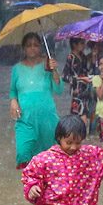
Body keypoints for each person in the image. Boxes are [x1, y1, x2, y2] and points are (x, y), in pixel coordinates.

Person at [9, 33, 63, 169]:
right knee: (23, 153)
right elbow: (12, 91)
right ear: (23, 48)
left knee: (49, 157)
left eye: (35, 45)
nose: (32, 48)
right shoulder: (17, 69)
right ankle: (31, 184)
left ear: (40, 47)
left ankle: (45, 187)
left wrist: (54, 70)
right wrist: (13, 102)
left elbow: (59, 89)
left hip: (47, 118)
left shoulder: (48, 64)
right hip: (25, 118)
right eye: (28, 45)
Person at [62, 37, 93, 125]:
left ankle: (81, 131)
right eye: (81, 43)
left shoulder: (83, 56)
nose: (84, 45)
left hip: (85, 88)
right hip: (77, 89)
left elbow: (86, 70)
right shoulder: (71, 57)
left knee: (85, 110)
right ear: (74, 45)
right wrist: (80, 78)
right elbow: (65, 76)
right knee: (78, 111)